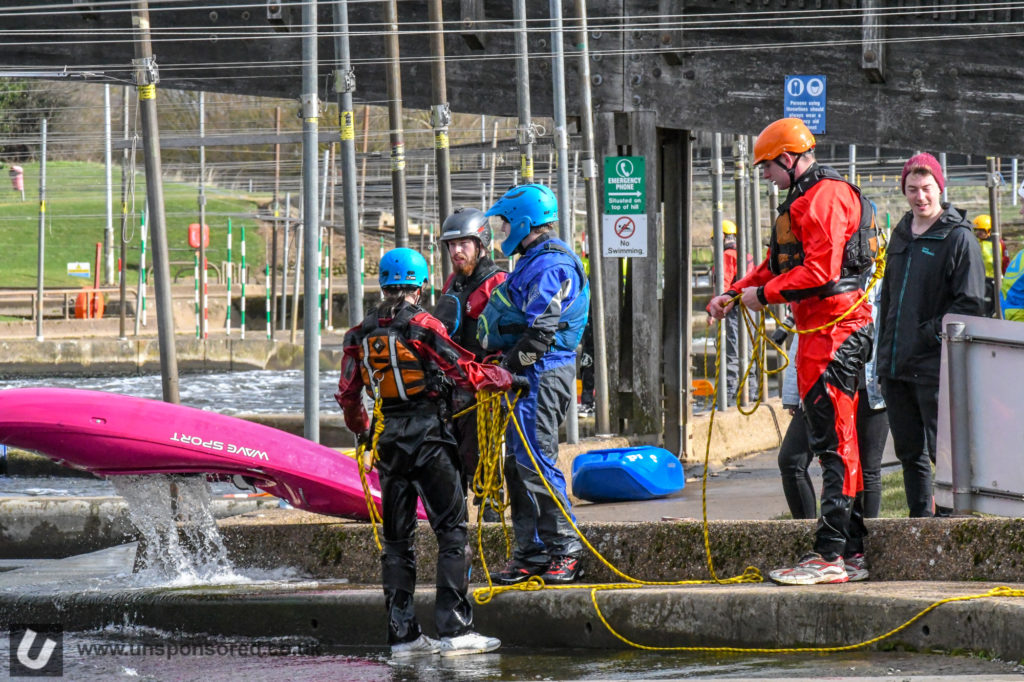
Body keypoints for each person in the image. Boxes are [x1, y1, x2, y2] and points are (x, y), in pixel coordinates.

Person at [707, 117, 876, 585]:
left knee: (833, 444)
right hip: (821, 331)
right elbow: (777, 263)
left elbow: (819, 273)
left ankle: (830, 556)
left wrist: (760, 297)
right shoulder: (804, 196)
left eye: (767, 167)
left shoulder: (823, 197)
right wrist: (735, 291)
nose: (764, 176)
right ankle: (851, 549)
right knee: (833, 441)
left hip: (835, 331)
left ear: (788, 159)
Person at [335, 247, 524, 658]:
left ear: (383, 284)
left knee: (397, 542)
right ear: (420, 286)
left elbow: (349, 396)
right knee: (452, 532)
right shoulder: (424, 325)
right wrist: (506, 376)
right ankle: (455, 631)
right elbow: (464, 371)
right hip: (430, 440)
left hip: (388, 443)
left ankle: (402, 637)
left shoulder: (358, 334)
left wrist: (363, 431)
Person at [479, 183, 590, 585]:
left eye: (506, 222)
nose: (501, 229)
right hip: (527, 374)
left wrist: (506, 368)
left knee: (536, 462)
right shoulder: (531, 260)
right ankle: (530, 552)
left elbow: (540, 333)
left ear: (525, 222)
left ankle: (566, 549)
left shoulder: (552, 265)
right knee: (516, 465)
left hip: (543, 372)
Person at [876, 153, 986, 518]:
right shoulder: (902, 234)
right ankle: (920, 521)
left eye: (926, 189)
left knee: (945, 454)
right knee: (909, 453)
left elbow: (969, 305)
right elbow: (889, 298)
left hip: (934, 366)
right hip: (896, 366)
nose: (920, 197)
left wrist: (926, 336)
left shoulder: (958, 239)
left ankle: (952, 524)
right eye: (912, 189)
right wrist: (883, 353)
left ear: (940, 188)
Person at [435, 207, 508, 521]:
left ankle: (491, 527)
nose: (456, 251)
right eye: (451, 245)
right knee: (451, 465)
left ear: (481, 244)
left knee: (485, 463)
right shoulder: (454, 282)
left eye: (464, 243)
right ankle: (456, 528)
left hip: (484, 392)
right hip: (453, 388)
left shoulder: (499, 282)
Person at [705, 219, 754, 403]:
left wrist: (712, 311)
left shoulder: (727, 256)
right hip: (749, 308)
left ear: (722, 237)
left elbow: (723, 285)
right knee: (748, 352)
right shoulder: (745, 254)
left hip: (733, 309)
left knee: (731, 352)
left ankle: (729, 397)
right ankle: (752, 392)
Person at [971, 214, 1009, 317]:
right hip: (979, 278)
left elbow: (1005, 261)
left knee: (993, 304)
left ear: (989, 230)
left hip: (994, 279)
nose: (978, 233)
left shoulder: (998, 243)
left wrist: (1004, 276)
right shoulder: (975, 241)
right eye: (976, 230)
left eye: (981, 230)